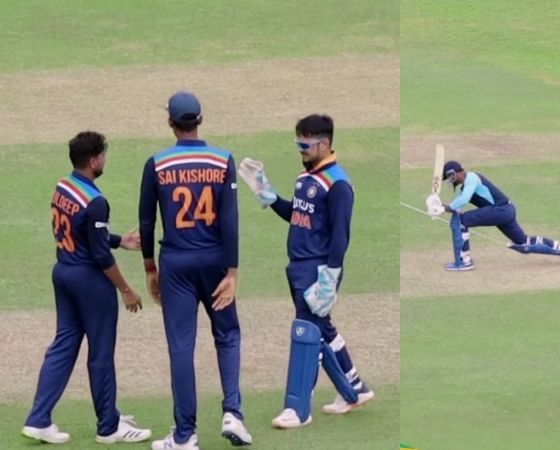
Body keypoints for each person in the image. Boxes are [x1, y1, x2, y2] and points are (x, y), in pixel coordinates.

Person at [238, 114, 374, 429]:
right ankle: (354, 389)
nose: (300, 149)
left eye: (306, 144)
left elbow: (340, 235)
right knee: (322, 329)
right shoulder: (305, 178)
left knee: (305, 333)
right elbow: (298, 215)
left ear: (324, 144)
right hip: (297, 265)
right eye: (298, 142)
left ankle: (298, 408)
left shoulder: (337, 184)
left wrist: (330, 279)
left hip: (318, 269)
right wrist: (268, 195)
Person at [22, 131, 151, 445]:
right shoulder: (95, 201)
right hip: (89, 282)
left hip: (63, 272)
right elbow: (99, 254)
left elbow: (86, 235)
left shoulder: (62, 187)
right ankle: (108, 427)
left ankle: (39, 419)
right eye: (103, 155)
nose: (105, 159)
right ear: (94, 160)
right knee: (101, 353)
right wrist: (126, 289)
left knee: (63, 346)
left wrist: (120, 239)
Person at [139, 92, 251, 449]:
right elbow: (230, 221)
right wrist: (232, 271)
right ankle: (233, 412)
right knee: (228, 334)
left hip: (176, 265)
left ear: (171, 123)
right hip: (215, 260)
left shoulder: (156, 163)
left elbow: (146, 222)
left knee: (181, 347)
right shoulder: (222, 160)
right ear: (200, 119)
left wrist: (149, 267)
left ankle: (185, 434)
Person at [426, 161, 560, 271]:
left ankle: (464, 262)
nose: (452, 179)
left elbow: (462, 200)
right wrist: (440, 207)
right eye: (449, 178)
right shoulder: (466, 187)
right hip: (505, 211)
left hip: (501, 210)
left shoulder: (472, 178)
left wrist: (446, 207)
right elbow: (459, 203)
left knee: (461, 221)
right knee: (524, 243)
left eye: (452, 175)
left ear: (461, 171)